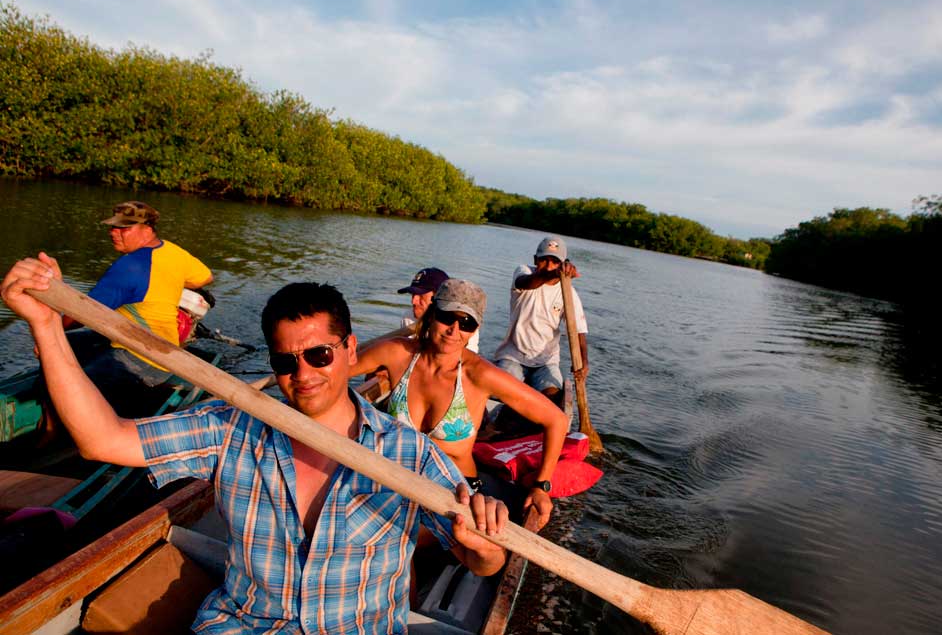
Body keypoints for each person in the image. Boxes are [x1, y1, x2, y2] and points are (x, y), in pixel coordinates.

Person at [1, 257, 508, 634]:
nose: (303, 374)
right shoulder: (233, 429)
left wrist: (481, 546)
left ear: (350, 350)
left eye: (319, 354)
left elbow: (484, 565)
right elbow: (103, 439)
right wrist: (46, 327)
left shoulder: (410, 455)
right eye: (287, 362)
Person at [352, 279, 569, 528]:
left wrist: (541, 486)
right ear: (433, 314)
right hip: (396, 480)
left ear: (475, 329)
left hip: (454, 493)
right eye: (447, 317)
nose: (454, 330)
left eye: (466, 323)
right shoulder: (397, 353)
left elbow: (556, 420)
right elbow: (333, 373)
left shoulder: (479, 375)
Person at [61, 201, 214, 413]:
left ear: (147, 229)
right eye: (113, 227)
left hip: (139, 358)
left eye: (124, 228)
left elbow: (80, 315)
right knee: (71, 344)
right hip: (166, 354)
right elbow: (205, 277)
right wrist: (171, 280)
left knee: (61, 371)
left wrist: (50, 329)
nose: (114, 233)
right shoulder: (173, 252)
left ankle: (51, 429)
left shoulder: (129, 266)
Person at [493, 236, 588, 403]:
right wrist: (554, 274)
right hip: (513, 356)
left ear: (562, 264)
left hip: (546, 361)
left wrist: (584, 363)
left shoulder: (569, 293)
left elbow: (579, 332)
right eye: (544, 260)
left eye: (555, 262)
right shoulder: (524, 272)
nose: (549, 266)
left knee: (553, 399)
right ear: (535, 260)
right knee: (499, 394)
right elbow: (527, 283)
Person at [397, 267, 479, 353]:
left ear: (438, 298)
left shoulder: (465, 326)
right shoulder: (408, 316)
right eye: (413, 295)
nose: (413, 301)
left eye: (421, 296)